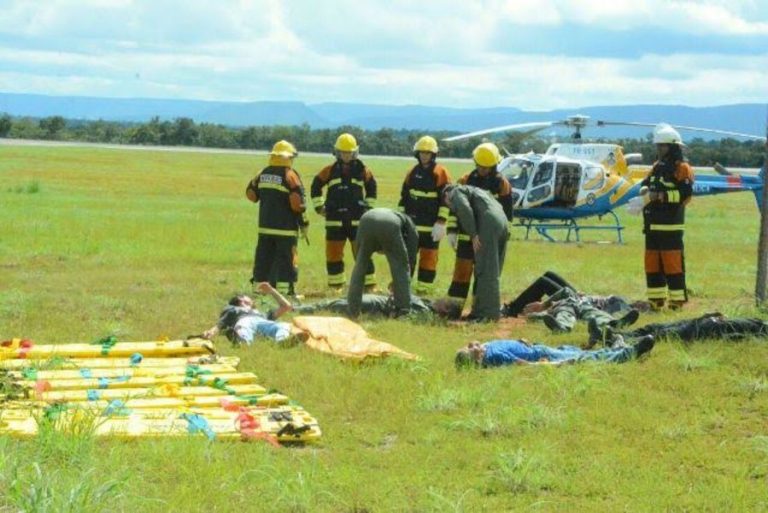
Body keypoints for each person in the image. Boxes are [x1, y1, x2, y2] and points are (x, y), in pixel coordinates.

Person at [447, 142, 514, 302]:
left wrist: (504, 236)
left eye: (487, 167)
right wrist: (451, 229)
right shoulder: (465, 179)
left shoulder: (502, 184)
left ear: (494, 165)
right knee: (462, 270)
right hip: (466, 235)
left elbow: (507, 214)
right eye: (480, 166)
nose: (483, 170)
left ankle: (479, 307)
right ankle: (454, 307)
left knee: (484, 273)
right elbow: (455, 206)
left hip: (487, 237)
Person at [311, 133, 378, 291]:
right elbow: (315, 186)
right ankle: (336, 286)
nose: (346, 155)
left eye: (349, 152)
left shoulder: (363, 170)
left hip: (357, 220)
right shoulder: (329, 170)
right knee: (334, 254)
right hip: (334, 220)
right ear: (337, 152)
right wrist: (320, 207)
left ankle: (369, 286)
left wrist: (368, 209)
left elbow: (372, 188)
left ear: (354, 152)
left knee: (362, 253)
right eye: (343, 152)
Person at [641, 124, 694, 310]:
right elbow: (645, 184)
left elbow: (685, 195)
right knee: (652, 264)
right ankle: (655, 301)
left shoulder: (683, 168)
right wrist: (644, 192)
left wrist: (661, 196)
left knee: (673, 265)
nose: (660, 149)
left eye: (663, 146)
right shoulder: (656, 167)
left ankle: (677, 302)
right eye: (658, 146)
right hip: (652, 226)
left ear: (673, 147)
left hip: (671, 227)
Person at [245, 140, 309, 297]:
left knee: (264, 259)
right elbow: (298, 204)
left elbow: (251, 195)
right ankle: (285, 292)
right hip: (286, 229)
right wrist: (304, 222)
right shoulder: (290, 175)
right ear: (288, 158)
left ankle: (259, 289)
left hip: (265, 227)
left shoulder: (262, 173)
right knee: (287, 260)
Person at [440, 184, 508, 321]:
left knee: (485, 269)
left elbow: (464, 209)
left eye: (448, 204)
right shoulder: (479, 191)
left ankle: (485, 314)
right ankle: (488, 310)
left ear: (446, 196)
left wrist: (473, 234)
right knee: (493, 270)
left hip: (489, 224)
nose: (450, 207)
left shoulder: (455, 192)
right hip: (502, 222)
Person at [399, 136, 452, 295]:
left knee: (428, 260)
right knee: (407, 260)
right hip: (412, 226)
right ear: (417, 153)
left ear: (433, 154)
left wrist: (441, 222)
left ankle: (424, 291)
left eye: (428, 153)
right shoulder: (412, 172)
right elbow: (404, 198)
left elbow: (446, 200)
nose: (424, 156)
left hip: (431, 228)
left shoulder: (441, 172)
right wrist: (400, 221)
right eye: (422, 152)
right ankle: (402, 289)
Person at [347, 208, 419, 318]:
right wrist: (400, 284)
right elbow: (409, 262)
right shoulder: (411, 229)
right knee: (400, 267)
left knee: (360, 266)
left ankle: (353, 308)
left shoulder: (398, 216)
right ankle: (403, 311)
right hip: (388, 225)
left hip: (366, 220)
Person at [454, 336, 655, 369]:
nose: (474, 345)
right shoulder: (493, 357)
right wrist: (552, 365)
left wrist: (519, 341)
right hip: (542, 356)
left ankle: (614, 348)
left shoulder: (487, 347)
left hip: (537, 347)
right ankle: (628, 353)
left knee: (570, 350)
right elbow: (523, 366)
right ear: (477, 358)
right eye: (472, 349)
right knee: (581, 358)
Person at [203, 282, 304, 345]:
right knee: (245, 329)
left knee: (283, 325)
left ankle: (282, 342)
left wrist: (272, 290)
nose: (252, 299)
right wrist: (211, 332)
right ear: (240, 299)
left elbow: (286, 306)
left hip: (262, 322)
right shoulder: (233, 309)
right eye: (248, 297)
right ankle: (240, 341)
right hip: (244, 321)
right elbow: (221, 323)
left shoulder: (260, 313)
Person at [607, 312, 768, 344]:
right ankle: (620, 333)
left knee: (665, 334)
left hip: (706, 331)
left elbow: (738, 336)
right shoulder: (759, 322)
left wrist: (716, 336)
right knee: (655, 326)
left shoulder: (762, 333)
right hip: (702, 321)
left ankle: (619, 340)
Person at [293, 293, 463, 320]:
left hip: (376, 305)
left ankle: (297, 310)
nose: (441, 299)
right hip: (377, 300)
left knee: (335, 305)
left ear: (445, 309)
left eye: (445, 301)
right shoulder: (426, 305)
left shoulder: (424, 311)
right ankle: (301, 307)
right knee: (336, 302)